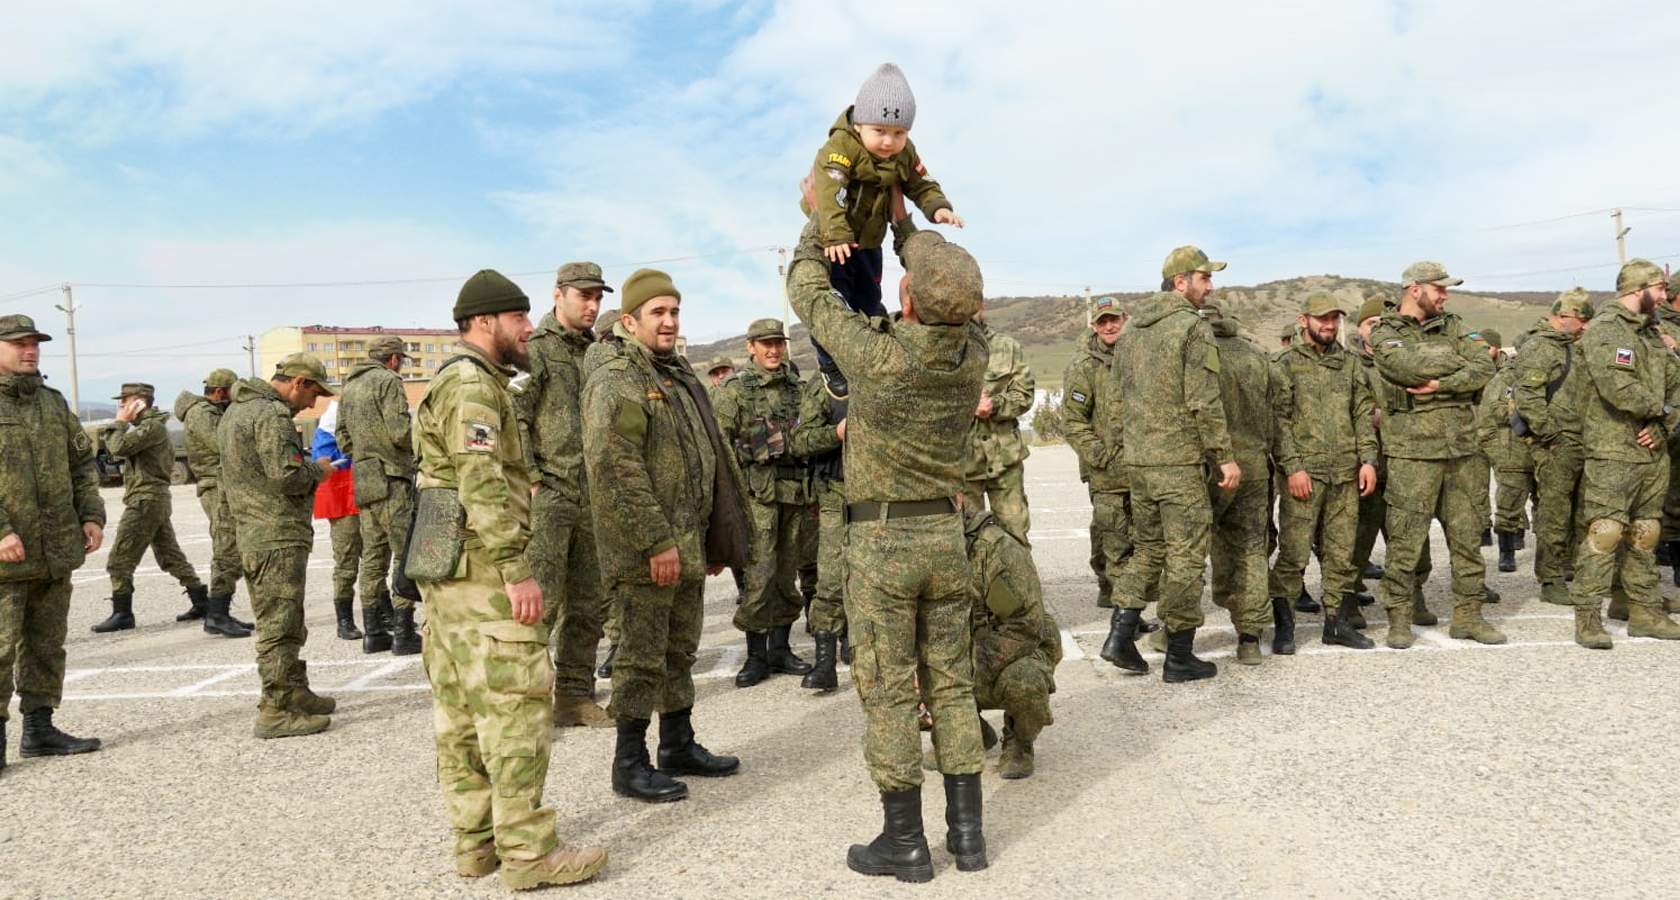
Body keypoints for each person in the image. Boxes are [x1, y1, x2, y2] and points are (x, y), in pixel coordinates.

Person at [789, 183, 989, 881]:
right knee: (954, 686)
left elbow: (809, 295)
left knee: (890, 688)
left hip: (882, 546)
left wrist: (825, 219)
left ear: (905, 301)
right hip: (945, 537)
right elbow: (945, 282)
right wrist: (907, 221)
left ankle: (905, 844)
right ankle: (969, 838)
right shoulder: (975, 355)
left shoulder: (880, 355)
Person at [411, 270, 606, 888]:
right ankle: (528, 856)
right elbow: (482, 483)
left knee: (462, 714)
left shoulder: (457, 380)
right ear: (484, 322)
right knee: (516, 709)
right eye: (518, 319)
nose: (528, 329)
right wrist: (517, 571)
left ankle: (476, 847)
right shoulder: (472, 387)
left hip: (448, 573)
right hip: (481, 574)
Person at [581, 268, 748, 805]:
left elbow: (705, 458)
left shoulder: (671, 373)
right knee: (639, 654)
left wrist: (708, 537)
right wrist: (656, 540)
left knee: (679, 649)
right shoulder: (619, 377)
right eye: (658, 312)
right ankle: (629, 761)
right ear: (629, 321)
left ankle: (677, 742)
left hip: (685, 541)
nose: (670, 321)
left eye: (674, 311)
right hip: (645, 549)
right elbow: (616, 465)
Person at [1101, 246, 1238, 683]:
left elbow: (1115, 401)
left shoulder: (1131, 332)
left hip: (1140, 463)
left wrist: (1130, 449)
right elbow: (1204, 400)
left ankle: (1120, 637)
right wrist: (1225, 456)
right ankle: (1180, 656)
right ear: (1180, 282)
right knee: (1185, 558)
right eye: (1204, 278)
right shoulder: (1191, 329)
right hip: (1177, 463)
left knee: (1148, 549)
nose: (1210, 286)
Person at [808, 62, 961, 398]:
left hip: (870, 243)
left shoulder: (905, 153)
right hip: (838, 240)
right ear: (859, 123)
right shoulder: (840, 148)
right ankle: (829, 362)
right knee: (834, 300)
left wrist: (939, 207)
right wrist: (834, 233)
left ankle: (870, 356)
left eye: (899, 133)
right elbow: (830, 191)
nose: (889, 142)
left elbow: (921, 183)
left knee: (868, 300)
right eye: (880, 131)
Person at [1368, 262, 1498, 648]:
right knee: (1406, 541)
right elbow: (1404, 367)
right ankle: (1400, 618)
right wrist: (1456, 365)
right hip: (1412, 453)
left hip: (1463, 449)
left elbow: (1484, 365)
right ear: (1414, 289)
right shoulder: (1386, 331)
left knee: (1467, 539)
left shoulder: (1456, 325)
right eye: (1439, 289)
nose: (1445, 295)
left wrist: (1441, 384)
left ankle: (1469, 617)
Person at [0, 313, 106, 772]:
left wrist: (91, 514)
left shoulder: (51, 403)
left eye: (34, 344)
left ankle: (39, 729)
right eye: (18, 344)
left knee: (47, 644)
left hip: (54, 550)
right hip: (7, 554)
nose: (30, 351)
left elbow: (81, 465)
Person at [219, 353, 337, 738]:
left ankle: (293, 689)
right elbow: (286, 475)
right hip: (276, 532)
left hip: (258, 531)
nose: (313, 404)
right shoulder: (270, 415)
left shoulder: (237, 412)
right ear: (298, 382)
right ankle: (276, 709)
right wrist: (318, 470)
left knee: (286, 618)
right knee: (279, 625)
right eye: (314, 393)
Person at [518, 261, 614, 728]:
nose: (593, 306)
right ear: (559, 295)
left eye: (598, 297)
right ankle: (528, 704)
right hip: (552, 496)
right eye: (585, 297)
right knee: (544, 604)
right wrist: (533, 479)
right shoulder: (534, 350)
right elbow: (513, 415)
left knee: (588, 603)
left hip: (594, 496)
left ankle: (575, 697)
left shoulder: (596, 352)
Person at [1565, 260, 1680, 648]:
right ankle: (1587, 618)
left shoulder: (1652, 334)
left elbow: (1677, 386)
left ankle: (1644, 612)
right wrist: (1660, 411)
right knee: (1605, 534)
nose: (1665, 296)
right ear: (1638, 288)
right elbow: (1618, 387)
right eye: (1660, 288)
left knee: (1645, 534)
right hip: (1612, 449)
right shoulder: (1605, 330)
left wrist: (1665, 425)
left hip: (1652, 451)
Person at [1269, 293, 1380, 652]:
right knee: (1293, 555)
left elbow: (1363, 413)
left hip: (1346, 475)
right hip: (1304, 477)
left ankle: (1336, 623)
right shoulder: (1284, 364)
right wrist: (1293, 468)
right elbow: (1278, 421)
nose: (1329, 325)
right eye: (1322, 319)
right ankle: (1284, 628)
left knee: (1341, 555)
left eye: (1334, 319)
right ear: (1304, 321)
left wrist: (1368, 460)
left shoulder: (1349, 364)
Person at [714, 318, 815, 686]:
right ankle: (756, 656)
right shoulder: (735, 391)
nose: (774, 350)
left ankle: (781, 650)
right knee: (758, 577)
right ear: (750, 347)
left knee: (787, 577)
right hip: (756, 499)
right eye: (766, 344)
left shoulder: (797, 389)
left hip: (795, 496)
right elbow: (720, 445)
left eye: (779, 343)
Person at [1201, 301, 1284, 663]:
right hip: (1255, 467)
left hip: (1212, 467)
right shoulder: (1257, 355)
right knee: (1253, 550)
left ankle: (1182, 627)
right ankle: (1250, 636)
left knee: (1202, 547)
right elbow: (1278, 412)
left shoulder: (1199, 356)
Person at [90, 382, 210, 633]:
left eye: (125, 401)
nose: (121, 406)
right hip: (152, 499)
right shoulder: (150, 426)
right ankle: (202, 602)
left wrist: (120, 421)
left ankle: (122, 614)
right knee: (170, 556)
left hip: (145, 500)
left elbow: (118, 447)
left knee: (119, 560)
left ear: (140, 402)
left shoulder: (151, 427)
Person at [1511, 288, 1593, 607]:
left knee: (1580, 511)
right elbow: (1528, 399)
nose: (1585, 325)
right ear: (1563, 316)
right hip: (1556, 445)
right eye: (1581, 319)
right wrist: (1552, 437)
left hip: (1579, 441)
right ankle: (1551, 577)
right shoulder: (1541, 347)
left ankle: (1569, 565)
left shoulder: (1571, 347)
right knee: (1554, 513)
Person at [963, 509, 1060, 780]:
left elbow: (1024, 626)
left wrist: (964, 672)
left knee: (1024, 681)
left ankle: (1020, 740)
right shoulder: (916, 548)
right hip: (960, 652)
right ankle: (961, 731)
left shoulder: (995, 551)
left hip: (1009, 650)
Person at [338, 334, 418, 655]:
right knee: (403, 554)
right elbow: (400, 432)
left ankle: (374, 631)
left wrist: (364, 453)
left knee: (372, 557)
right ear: (394, 359)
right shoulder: (388, 382)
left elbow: (342, 438)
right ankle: (403, 631)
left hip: (365, 476)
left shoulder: (350, 387)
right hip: (393, 476)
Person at [173, 369, 255, 637]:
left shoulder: (210, 411)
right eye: (233, 392)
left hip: (222, 483)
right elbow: (224, 443)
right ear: (220, 392)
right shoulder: (202, 414)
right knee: (227, 545)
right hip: (214, 486)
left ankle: (220, 612)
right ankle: (217, 614)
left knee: (232, 545)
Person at [1062, 296, 1131, 610]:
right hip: (1105, 471)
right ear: (1094, 325)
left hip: (1140, 467)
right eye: (1103, 321)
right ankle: (1121, 605)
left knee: (1134, 536)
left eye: (1114, 319)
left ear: (1125, 319)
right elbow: (1074, 420)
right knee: (1113, 536)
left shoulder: (1137, 357)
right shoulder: (1083, 365)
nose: (1109, 326)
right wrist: (1100, 457)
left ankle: (1120, 594)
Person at [791, 372, 848, 691]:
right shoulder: (824, 384)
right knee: (830, 577)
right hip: (837, 492)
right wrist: (837, 433)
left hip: (885, 491)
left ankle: (857, 642)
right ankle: (825, 661)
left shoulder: (887, 370)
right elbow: (800, 440)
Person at [961, 308, 1035, 546]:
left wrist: (994, 405)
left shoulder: (1008, 348)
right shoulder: (940, 349)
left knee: (1014, 536)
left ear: (981, 305)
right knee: (968, 539)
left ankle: (1017, 583)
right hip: (963, 464)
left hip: (1004, 462)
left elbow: (1024, 394)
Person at [1476, 328, 1537, 573]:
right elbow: (1495, 408)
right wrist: (1530, 412)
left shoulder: (1548, 373)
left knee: (1548, 505)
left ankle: (1553, 558)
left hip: (1546, 447)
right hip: (1513, 447)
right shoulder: (1507, 377)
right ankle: (1507, 552)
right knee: (1509, 500)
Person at [311, 402, 364, 642]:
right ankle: (345, 620)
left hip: (364, 491)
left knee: (376, 557)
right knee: (347, 560)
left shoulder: (353, 410)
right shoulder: (332, 421)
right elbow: (324, 462)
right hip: (343, 496)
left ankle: (382, 612)